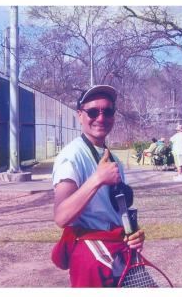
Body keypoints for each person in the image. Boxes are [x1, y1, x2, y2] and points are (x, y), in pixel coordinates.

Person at [51, 85, 145, 287]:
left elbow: (115, 209)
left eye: (107, 111)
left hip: (118, 248)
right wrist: (97, 178)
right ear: (80, 115)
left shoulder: (111, 157)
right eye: (93, 111)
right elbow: (61, 216)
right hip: (92, 257)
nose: (101, 118)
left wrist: (133, 233)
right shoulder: (72, 156)